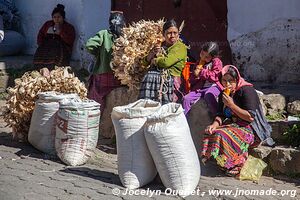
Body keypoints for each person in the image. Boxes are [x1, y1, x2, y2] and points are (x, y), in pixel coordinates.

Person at [201, 65, 274, 177]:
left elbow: (250, 117)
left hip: (252, 129)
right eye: (224, 81)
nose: (227, 84)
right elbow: (220, 114)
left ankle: (237, 164)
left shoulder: (247, 91)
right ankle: (222, 163)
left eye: (231, 81)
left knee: (222, 134)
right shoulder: (224, 94)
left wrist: (231, 105)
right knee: (211, 131)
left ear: (237, 80)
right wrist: (214, 125)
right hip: (235, 125)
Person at [139, 19, 188, 104]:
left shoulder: (180, 47)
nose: (172, 36)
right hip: (155, 78)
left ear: (178, 34)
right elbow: (144, 63)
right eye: (169, 33)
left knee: (151, 75)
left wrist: (155, 60)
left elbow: (166, 62)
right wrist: (152, 53)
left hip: (170, 79)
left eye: (175, 33)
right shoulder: (160, 45)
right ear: (163, 34)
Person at [86, 11, 125, 114]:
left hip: (103, 75)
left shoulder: (104, 34)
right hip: (119, 78)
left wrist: (98, 53)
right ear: (123, 23)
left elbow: (89, 45)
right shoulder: (125, 37)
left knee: (95, 96)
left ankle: (96, 114)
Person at [182, 42, 223, 115]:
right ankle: (185, 120)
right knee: (186, 99)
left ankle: (218, 115)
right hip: (200, 89)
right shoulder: (198, 63)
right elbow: (191, 81)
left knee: (209, 95)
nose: (203, 58)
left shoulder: (217, 62)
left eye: (207, 57)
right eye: (202, 54)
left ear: (213, 57)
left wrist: (202, 72)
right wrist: (195, 76)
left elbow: (215, 76)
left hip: (213, 86)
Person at [33, 4, 75, 70]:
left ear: (63, 18)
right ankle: (39, 68)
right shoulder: (48, 24)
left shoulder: (69, 27)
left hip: (62, 48)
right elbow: (40, 35)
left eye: (59, 17)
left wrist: (60, 32)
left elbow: (70, 41)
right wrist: (41, 44)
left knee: (55, 49)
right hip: (46, 47)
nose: (56, 19)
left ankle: (54, 69)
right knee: (41, 51)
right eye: (54, 17)